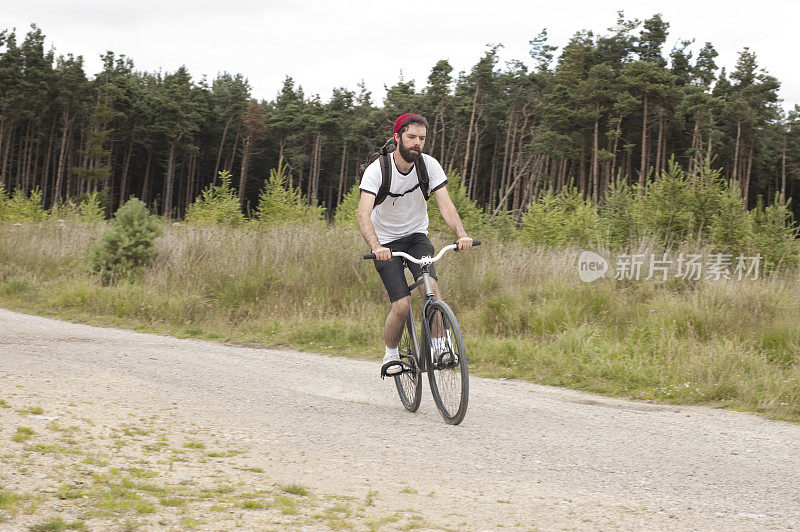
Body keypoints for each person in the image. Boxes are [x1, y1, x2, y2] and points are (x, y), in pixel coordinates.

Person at [357, 113, 473, 375]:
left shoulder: (429, 166)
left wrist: (461, 234)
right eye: (411, 137)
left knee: (430, 288)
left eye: (421, 138)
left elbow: (446, 205)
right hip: (385, 243)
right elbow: (363, 215)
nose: (416, 143)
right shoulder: (379, 170)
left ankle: (440, 347)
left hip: (416, 237)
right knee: (402, 304)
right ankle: (391, 355)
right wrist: (376, 246)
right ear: (397, 136)